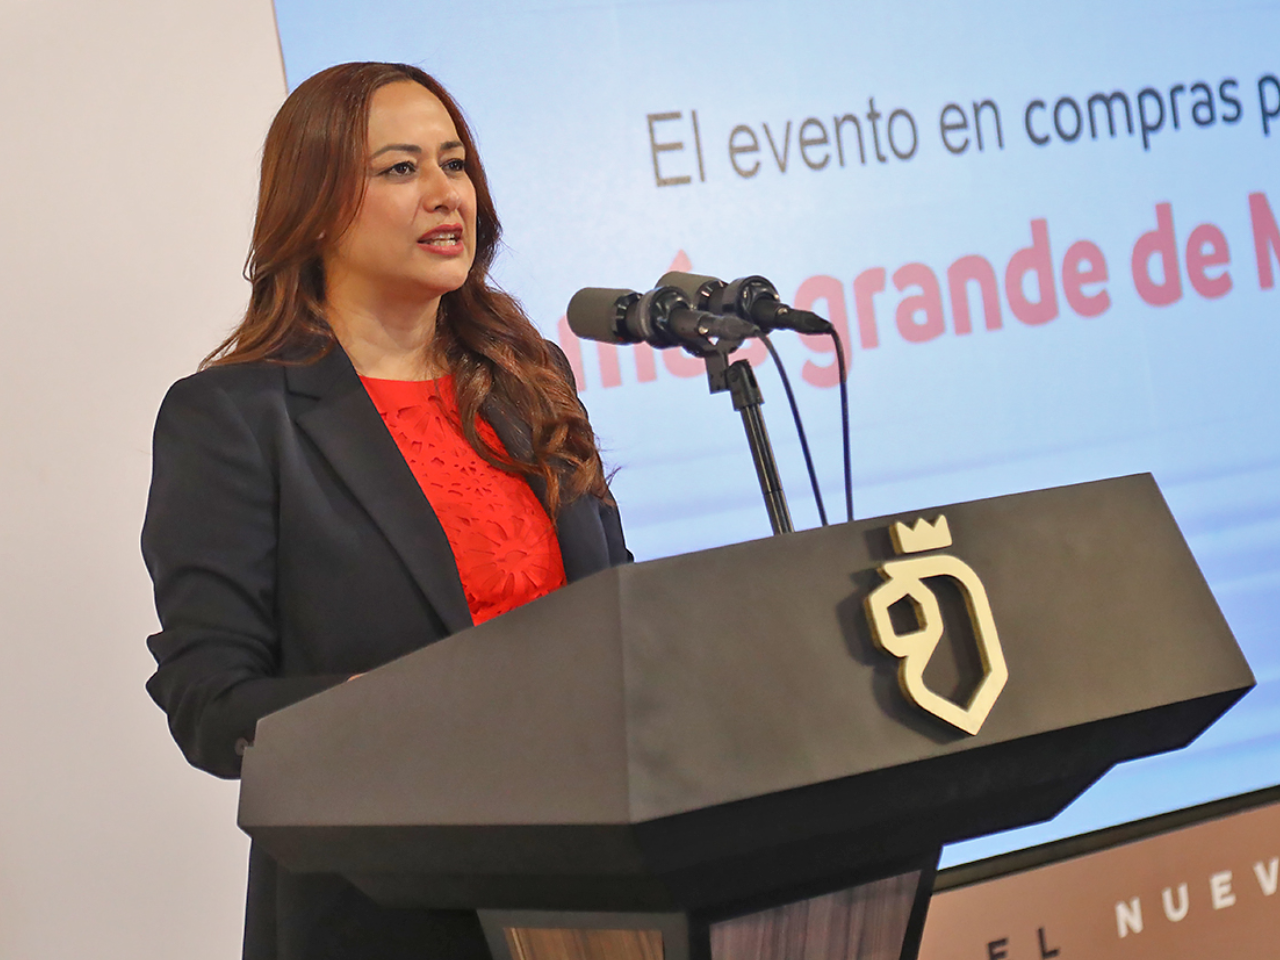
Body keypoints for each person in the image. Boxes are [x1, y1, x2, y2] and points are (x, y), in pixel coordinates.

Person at [142, 62, 629, 960]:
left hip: (596, 886)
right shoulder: (234, 418)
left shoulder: (529, 379)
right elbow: (210, 704)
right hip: (390, 911)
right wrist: (393, 708)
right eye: (401, 168)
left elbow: (620, 615)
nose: (446, 193)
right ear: (317, 207)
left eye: (455, 163)